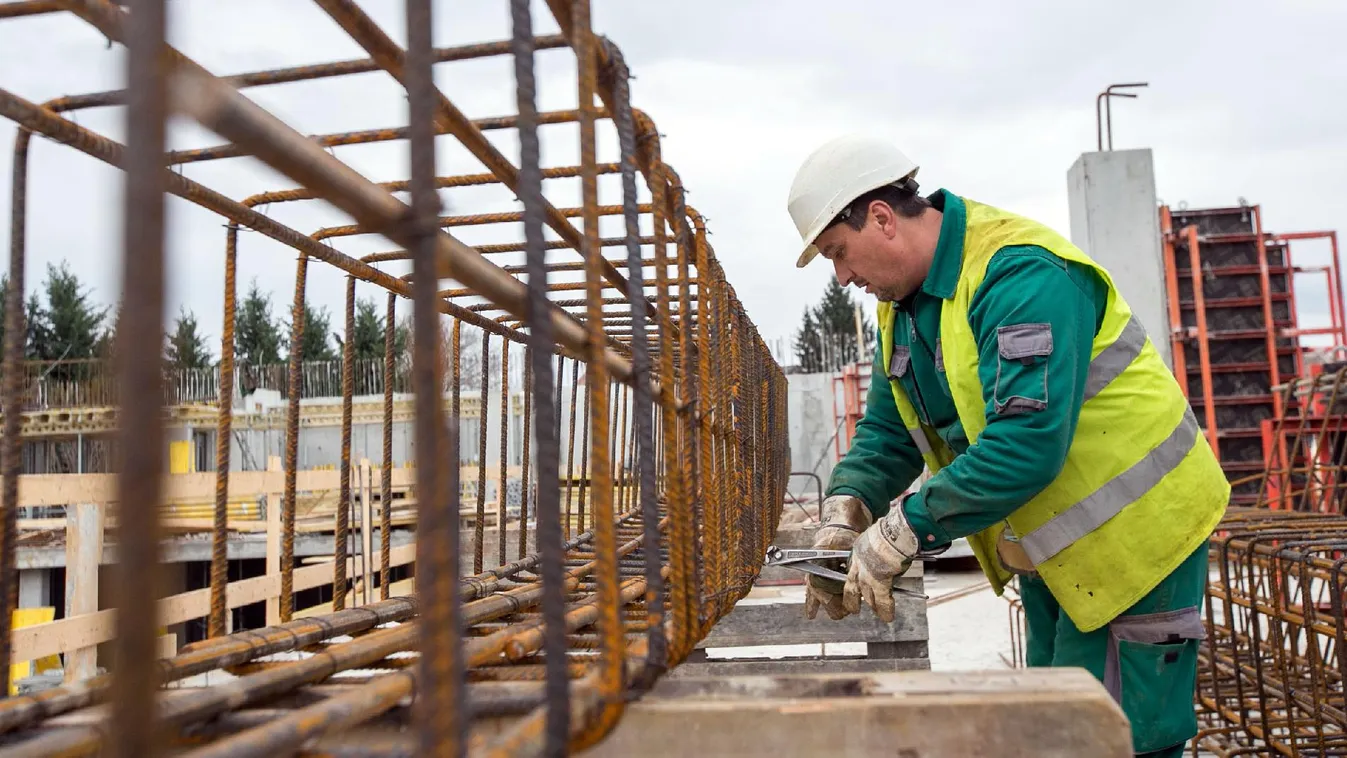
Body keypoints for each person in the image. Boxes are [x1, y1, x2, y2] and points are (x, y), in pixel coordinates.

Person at [785, 134, 1229, 758]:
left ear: (881, 218)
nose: (843, 277)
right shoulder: (905, 307)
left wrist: (905, 528)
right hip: (1057, 546)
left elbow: (1027, 443)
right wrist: (848, 506)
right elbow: (890, 430)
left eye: (838, 252)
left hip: (1136, 540)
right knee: (1055, 726)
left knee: (1115, 735)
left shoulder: (1018, 273)